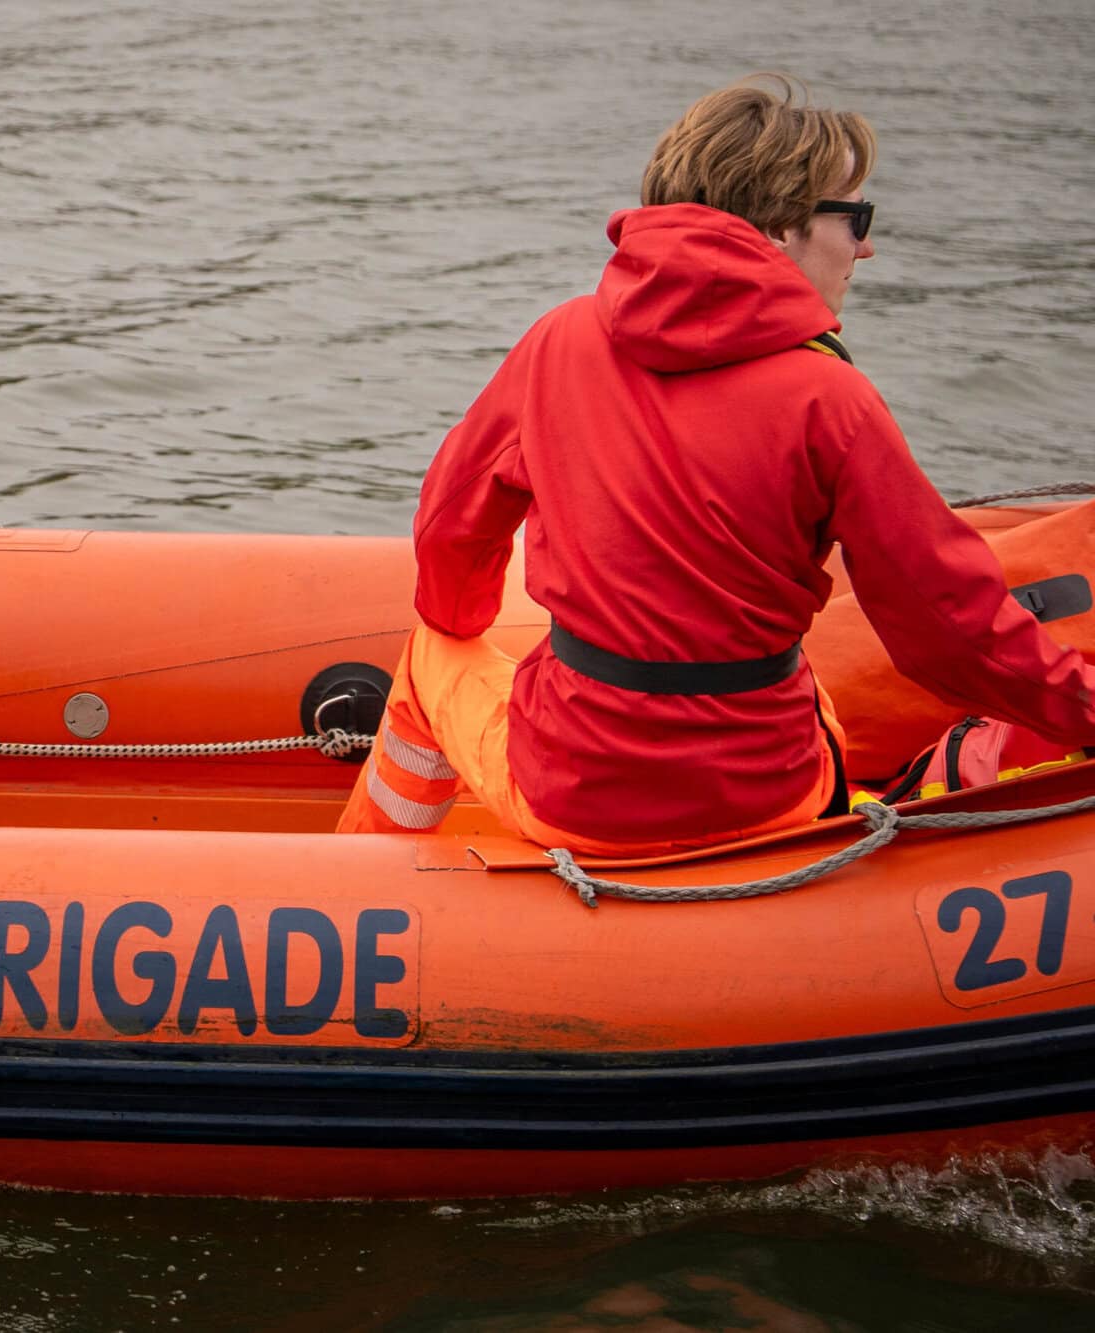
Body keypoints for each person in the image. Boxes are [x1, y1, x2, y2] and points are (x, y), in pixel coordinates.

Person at [337, 74, 1095, 854]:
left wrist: (465, 619)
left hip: (575, 793)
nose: (865, 246)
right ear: (783, 229)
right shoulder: (834, 399)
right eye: (856, 217)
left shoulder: (558, 344)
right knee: (801, 688)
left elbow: (451, 526)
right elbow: (951, 631)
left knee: (432, 648)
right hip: (774, 795)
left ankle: (366, 878)